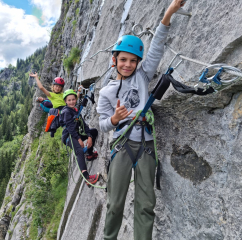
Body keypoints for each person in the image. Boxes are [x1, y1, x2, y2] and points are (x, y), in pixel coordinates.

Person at [97, 1, 185, 239]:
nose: (128, 65)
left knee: (146, 205)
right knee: (115, 204)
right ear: (114, 60)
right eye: (123, 60)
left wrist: (168, 13)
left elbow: (156, 46)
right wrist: (114, 120)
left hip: (146, 145)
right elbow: (102, 124)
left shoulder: (142, 75)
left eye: (132, 61)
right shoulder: (106, 92)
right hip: (123, 146)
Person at [60, 89, 99, 187]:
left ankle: (89, 154)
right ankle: (87, 178)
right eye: (69, 100)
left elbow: (84, 126)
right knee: (79, 151)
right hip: (69, 136)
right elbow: (70, 128)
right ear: (65, 101)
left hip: (76, 134)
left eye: (73, 99)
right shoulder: (66, 112)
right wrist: (79, 139)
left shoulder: (76, 111)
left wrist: (89, 136)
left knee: (94, 131)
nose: (72, 102)